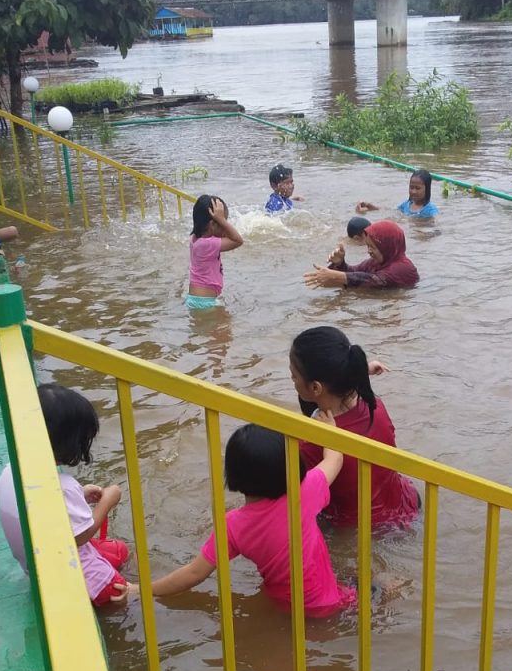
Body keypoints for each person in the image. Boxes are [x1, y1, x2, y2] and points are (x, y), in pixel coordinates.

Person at [136, 421, 356, 618]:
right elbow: (335, 458)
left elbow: (194, 573)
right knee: (377, 587)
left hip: (282, 604)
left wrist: (143, 590)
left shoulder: (232, 526)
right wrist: (328, 428)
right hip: (327, 601)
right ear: (293, 467)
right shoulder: (306, 491)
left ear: (233, 474)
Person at [0, 383, 130, 607]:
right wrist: (107, 502)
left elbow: (34, 507)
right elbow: (80, 537)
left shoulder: (10, 471)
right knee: (120, 593)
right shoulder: (65, 486)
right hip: (69, 574)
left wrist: (81, 495)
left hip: (36, 564)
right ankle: (119, 599)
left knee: (119, 551)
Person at [290, 326, 420, 528]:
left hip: (361, 528)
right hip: (406, 504)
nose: (293, 382)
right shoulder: (374, 406)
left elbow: (301, 498)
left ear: (316, 387)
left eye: (294, 377)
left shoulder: (310, 444)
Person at [304, 220, 419, 290]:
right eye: (368, 246)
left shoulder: (402, 268)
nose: (368, 251)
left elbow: (374, 280)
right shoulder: (376, 262)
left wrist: (336, 276)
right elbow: (354, 273)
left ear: (387, 246)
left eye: (373, 247)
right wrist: (340, 263)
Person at [187, 193, 243, 310]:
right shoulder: (207, 244)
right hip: (204, 303)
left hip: (200, 300)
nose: (226, 226)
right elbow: (238, 240)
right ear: (212, 224)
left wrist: (220, 221)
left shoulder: (196, 239)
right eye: (224, 222)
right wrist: (221, 220)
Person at [356, 169, 439, 219]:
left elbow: (434, 226)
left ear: (427, 189)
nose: (413, 191)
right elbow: (391, 211)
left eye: (417, 188)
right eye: (411, 187)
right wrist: (371, 207)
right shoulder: (407, 204)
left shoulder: (430, 210)